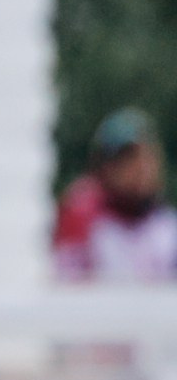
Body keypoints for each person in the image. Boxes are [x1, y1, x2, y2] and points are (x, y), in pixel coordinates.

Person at [53, 108, 177, 284]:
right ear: (106, 166)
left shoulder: (166, 225)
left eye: (147, 156)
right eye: (128, 158)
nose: (141, 168)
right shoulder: (85, 218)